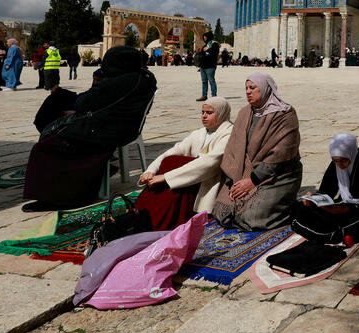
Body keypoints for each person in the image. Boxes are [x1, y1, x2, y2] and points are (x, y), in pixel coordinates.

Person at [22, 47, 157, 210]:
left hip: (104, 129)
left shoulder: (118, 82)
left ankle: (59, 196)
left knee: (44, 148)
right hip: (120, 125)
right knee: (56, 104)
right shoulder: (144, 78)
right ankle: (97, 173)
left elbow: (85, 102)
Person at [213, 73, 303, 230]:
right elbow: (232, 148)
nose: (248, 91)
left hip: (278, 175)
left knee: (250, 217)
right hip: (242, 173)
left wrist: (252, 180)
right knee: (222, 212)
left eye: (253, 88)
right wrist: (234, 179)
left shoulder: (285, 115)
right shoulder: (245, 113)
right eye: (246, 88)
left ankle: (288, 208)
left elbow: (281, 153)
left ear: (265, 88)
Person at [136, 97, 234, 229]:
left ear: (221, 113)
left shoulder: (229, 134)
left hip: (208, 182)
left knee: (172, 174)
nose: (204, 116)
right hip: (187, 178)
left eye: (209, 113)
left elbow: (208, 164)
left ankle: (159, 219)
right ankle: (145, 214)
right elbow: (174, 151)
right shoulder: (199, 133)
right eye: (202, 112)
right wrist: (150, 171)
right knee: (170, 161)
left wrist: (165, 177)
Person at [292, 133, 359, 241]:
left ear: (351, 153)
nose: (340, 165)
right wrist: (313, 199)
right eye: (335, 160)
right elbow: (326, 190)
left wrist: (346, 209)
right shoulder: (335, 164)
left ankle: (327, 234)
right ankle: (328, 233)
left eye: (343, 160)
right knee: (299, 208)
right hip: (340, 207)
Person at [196, 31, 220, 101]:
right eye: (204, 36)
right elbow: (202, 54)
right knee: (204, 81)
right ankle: (204, 95)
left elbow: (215, 54)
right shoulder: (205, 45)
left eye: (205, 36)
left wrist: (208, 49)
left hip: (210, 66)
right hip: (203, 66)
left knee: (211, 81)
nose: (204, 38)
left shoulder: (215, 44)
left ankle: (214, 96)